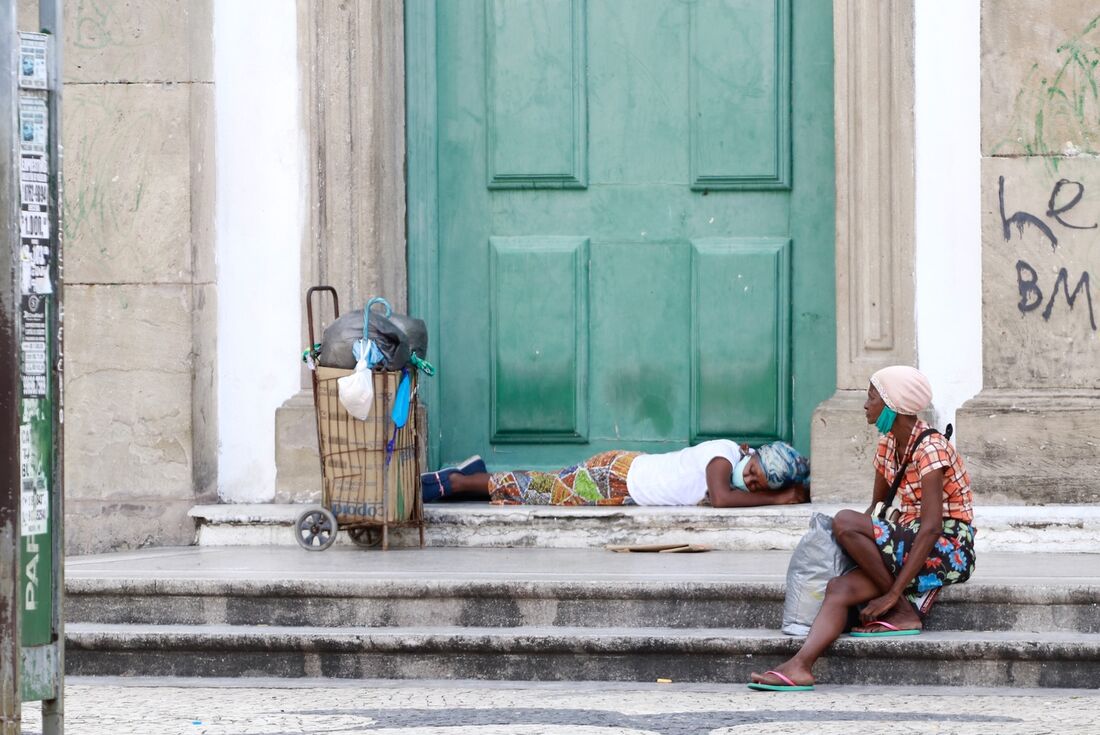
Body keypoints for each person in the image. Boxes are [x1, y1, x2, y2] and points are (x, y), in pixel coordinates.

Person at [748, 365, 976, 692]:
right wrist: (862, 553)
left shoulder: (931, 449)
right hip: (908, 543)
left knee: (844, 520)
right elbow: (877, 512)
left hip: (949, 546)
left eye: (872, 397)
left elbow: (931, 528)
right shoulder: (887, 447)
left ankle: (901, 610)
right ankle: (800, 666)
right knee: (839, 588)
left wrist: (892, 595)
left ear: (892, 405)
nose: (866, 405)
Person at [420, 440, 811, 508]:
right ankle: (455, 482)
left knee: (543, 489)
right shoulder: (723, 458)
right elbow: (723, 500)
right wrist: (779, 498)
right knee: (541, 489)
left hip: (624, 485)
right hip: (616, 475)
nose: (754, 482)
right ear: (753, 455)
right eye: (757, 472)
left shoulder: (733, 464)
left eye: (763, 483)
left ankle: (474, 477)